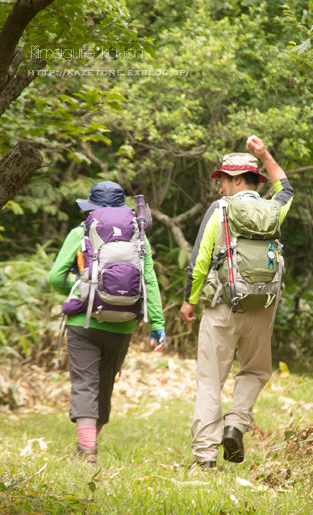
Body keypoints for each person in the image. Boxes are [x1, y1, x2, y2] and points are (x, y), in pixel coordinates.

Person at [180, 136, 294, 469]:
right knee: (256, 371)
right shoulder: (274, 209)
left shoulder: (221, 209)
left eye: (223, 181)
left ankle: (205, 456)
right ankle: (235, 424)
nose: (219, 189)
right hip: (263, 307)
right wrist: (265, 155)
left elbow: (200, 260)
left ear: (237, 180)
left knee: (210, 378)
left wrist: (189, 300)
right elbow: (285, 187)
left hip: (222, 305)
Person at [49, 181, 165, 463]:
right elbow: (149, 280)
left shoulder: (81, 231)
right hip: (123, 323)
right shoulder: (139, 236)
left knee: (85, 383)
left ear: (93, 207)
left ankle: (87, 451)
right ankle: (90, 441)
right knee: (103, 383)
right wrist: (157, 324)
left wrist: (81, 293)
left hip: (84, 323)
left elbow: (55, 277)